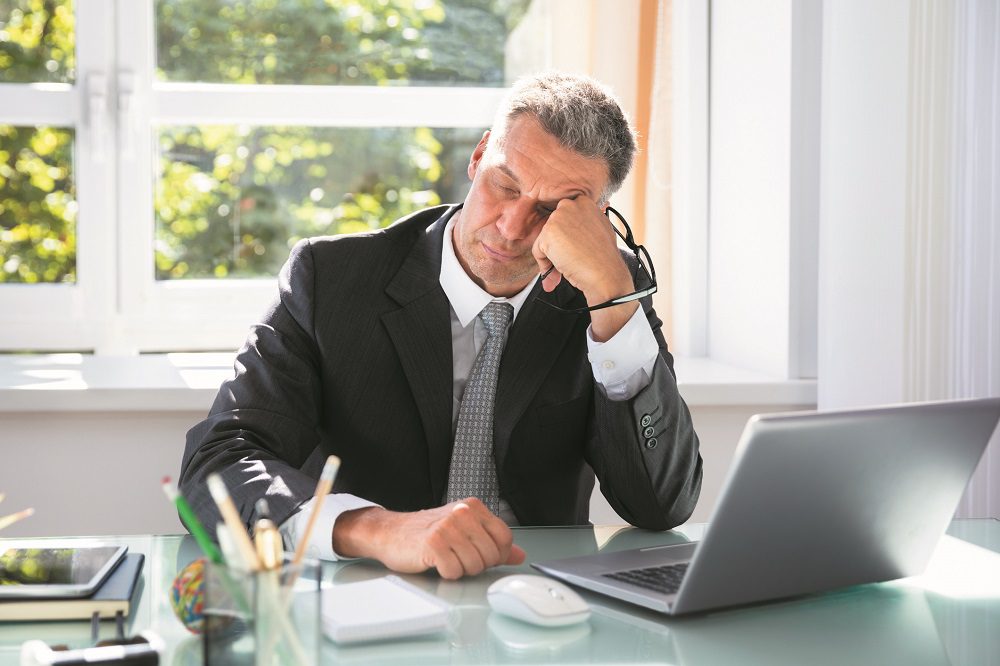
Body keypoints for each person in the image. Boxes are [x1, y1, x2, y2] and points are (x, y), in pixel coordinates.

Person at [180, 71, 702, 580]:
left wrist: (614, 301)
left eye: (550, 209)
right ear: (478, 158)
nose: (512, 227)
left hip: (538, 601)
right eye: (505, 185)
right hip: (365, 589)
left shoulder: (609, 289)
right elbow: (217, 467)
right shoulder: (330, 279)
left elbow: (661, 506)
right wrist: (377, 529)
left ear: (596, 216)